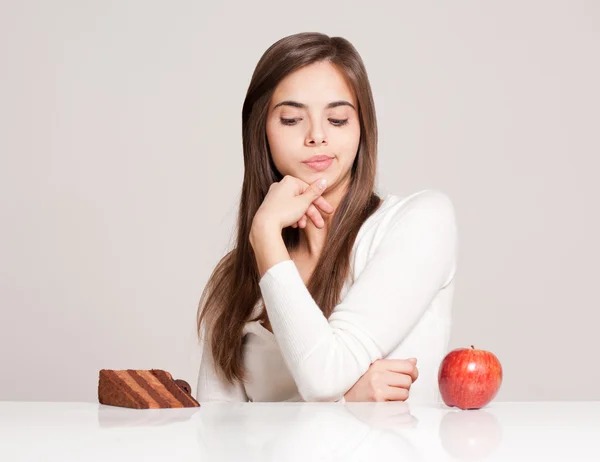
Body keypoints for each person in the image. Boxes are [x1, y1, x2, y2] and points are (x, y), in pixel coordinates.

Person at [195, 32, 458, 403]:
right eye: (291, 119)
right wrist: (345, 402)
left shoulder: (419, 223)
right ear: (261, 131)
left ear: (362, 127)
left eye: (337, 119)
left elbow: (322, 376)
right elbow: (215, 436)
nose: (317, 136)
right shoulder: (239, 272)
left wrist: (267, 232)